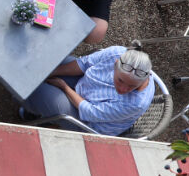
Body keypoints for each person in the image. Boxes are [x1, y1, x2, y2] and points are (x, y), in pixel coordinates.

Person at [21, 46, 154, 135]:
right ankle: (40, 106)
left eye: (132, 86)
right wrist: (49, 72)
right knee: (49, 62)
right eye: (120, 80)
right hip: (84, 86)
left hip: (89, 123)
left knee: (39, 92)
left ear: (145, 79)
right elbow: (84, 63)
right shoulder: (116, 53)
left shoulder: (136, 103)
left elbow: (91, 112)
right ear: (115, 64)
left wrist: (64, 87)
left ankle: (32, 108)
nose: (123, 89)